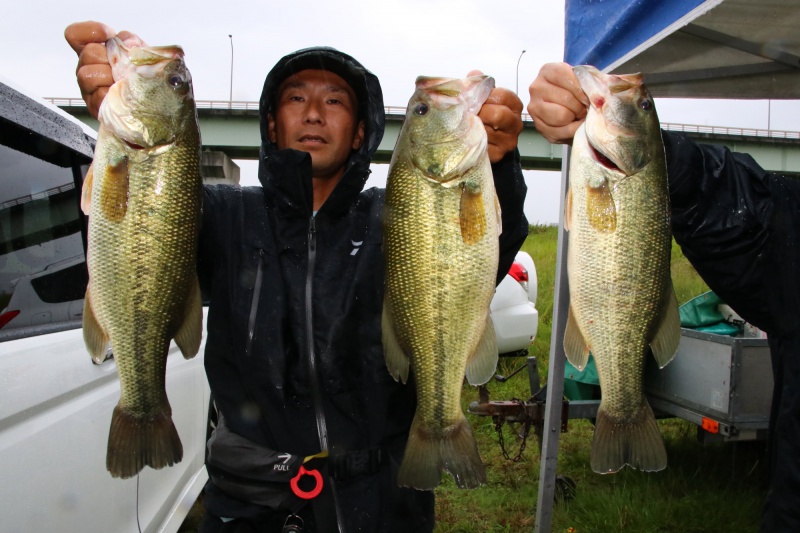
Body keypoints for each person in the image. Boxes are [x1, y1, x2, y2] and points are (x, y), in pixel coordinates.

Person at [65, 21, 530, 533]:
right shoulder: (219, 215)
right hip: (250, 506)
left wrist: (500, 165)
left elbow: (486, 245)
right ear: (270, 124)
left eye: (334, 101)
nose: (313, 112)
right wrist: (114, 123)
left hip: (382, 503)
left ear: (360, 131)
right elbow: (132, 246)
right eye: (295, 98)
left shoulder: (398, 217)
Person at [528, 62, 800, 532]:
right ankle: (623, 405)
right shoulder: (637, 163)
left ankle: (624, 407)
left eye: (643, 106)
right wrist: (672, 163)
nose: (635, 96)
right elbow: (760, 215)